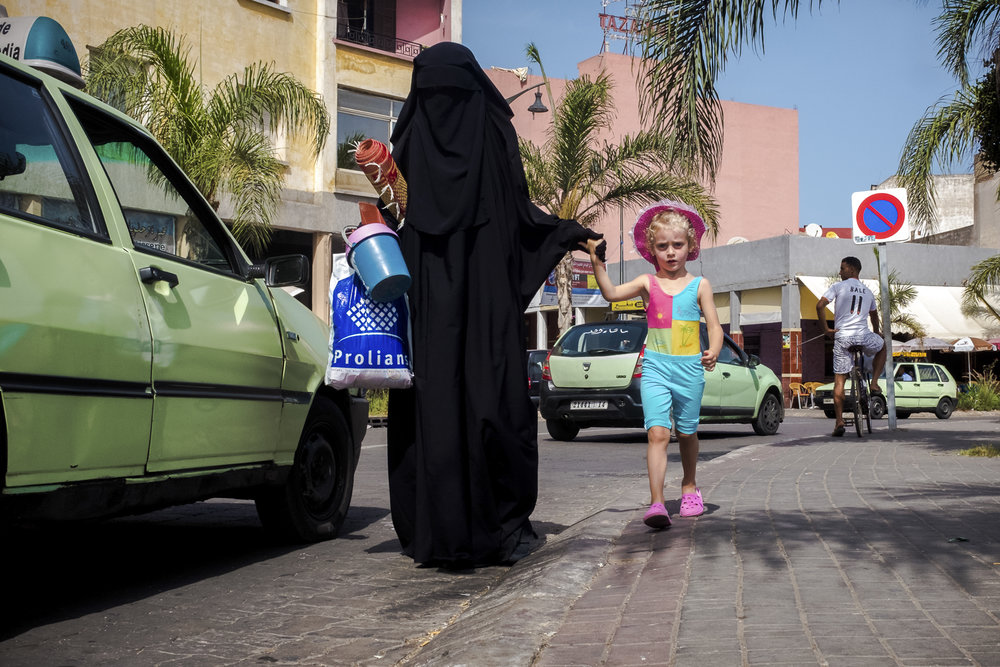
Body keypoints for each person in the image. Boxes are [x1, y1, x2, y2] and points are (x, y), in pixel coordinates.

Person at [385, 42, 600, 567]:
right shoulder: (489, 128)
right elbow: (521, 218)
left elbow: (401, 217)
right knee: (491, 405)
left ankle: (432, 529)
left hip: (427, 302)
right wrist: (564, 233)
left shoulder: (410, 137)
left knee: (430, 411)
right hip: (483, 303)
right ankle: (495, 524)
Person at [586, 199, 723, 529]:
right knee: (658, 434)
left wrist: (714, 349)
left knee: (687, 433)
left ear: (691, 246)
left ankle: (689, 486)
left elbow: (715, 326)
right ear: (652, 250)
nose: (671, 252)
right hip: (656, 367)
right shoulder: (647, 283)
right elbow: (610, 293)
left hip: (690, 368)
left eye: (678, 245)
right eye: (663, 246)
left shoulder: (699, 285)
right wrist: (597, 262)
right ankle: (657, 502)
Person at [815, 256, 887, 437]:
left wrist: (826, 329)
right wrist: (876, 332)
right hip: (863, 337)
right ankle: (875, 382)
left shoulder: (838, 287)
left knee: (839, 381)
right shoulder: (868, 292)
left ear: (853, 270)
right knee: (883, 346)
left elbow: (819, 305)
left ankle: (839, 422)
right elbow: (874, 316)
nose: (839, 272)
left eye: (842, 268)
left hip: (843, 338)